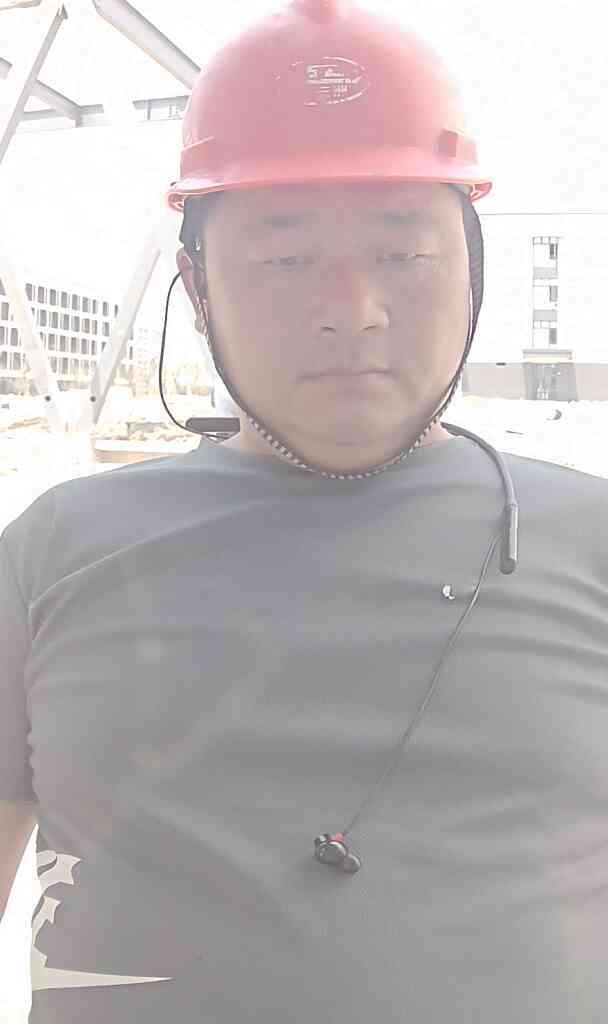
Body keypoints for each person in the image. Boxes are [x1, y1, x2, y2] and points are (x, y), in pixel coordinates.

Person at [1, 1, 608, 1021]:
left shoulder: (591, 543)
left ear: (472, 267)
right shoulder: (51, 553)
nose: (352, 310)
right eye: (284, 259)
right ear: (195, 285)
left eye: (403, 254)